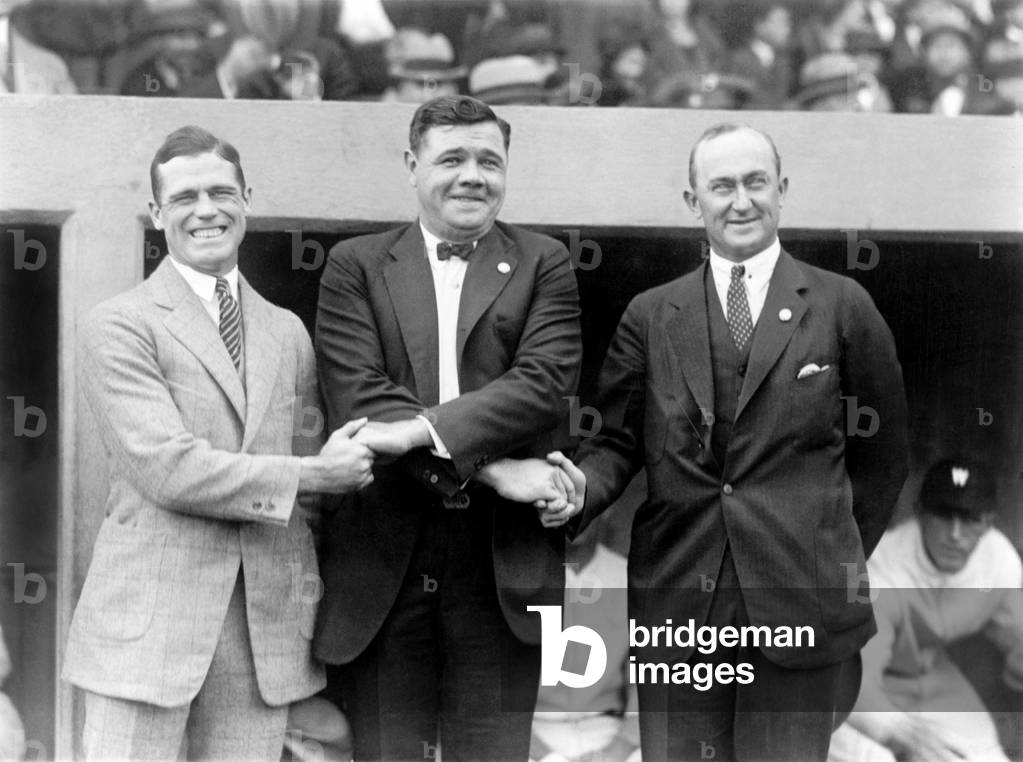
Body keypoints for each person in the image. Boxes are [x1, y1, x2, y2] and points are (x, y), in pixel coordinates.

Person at [542, 122, 909, 761]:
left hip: (803, 603)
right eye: (721, 186)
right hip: (680, 607)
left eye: (755, 182)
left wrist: (830, 554)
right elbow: (616, 443)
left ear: (782, 190)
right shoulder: (651, 315)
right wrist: (579, 492)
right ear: (693, 202)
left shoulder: (842, 304)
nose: (740, 201)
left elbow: (885, 457)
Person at [62, 125, 375, 760]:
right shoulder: (119, 324)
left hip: (261, 643)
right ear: (157, 213)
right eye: (183, 198)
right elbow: (168, 469)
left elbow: (309, 495)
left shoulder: (286, 332)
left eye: (220, 192)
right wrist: (318, 474)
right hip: (145, 635)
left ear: (246, 200)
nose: (205, 210)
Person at [312, 95, 583, 761]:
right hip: (383, 562)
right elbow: (360, 398)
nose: (472, 175)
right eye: (452, 158)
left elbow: (542, 384)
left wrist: (416, 433)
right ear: (412, 165)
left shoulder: (543, 261)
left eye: (488, 160)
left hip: (500, 568)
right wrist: (492, 468)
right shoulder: (355, 264)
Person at [829, 458, 1023, 762]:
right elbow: (852, 678)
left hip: (929, 680)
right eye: (944, 516)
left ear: (989, 521)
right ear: (920, 513)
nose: (956, 535)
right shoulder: (881, 568)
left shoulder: (999, 561)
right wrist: (896, 733)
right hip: (845, 694)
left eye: (972, 519)